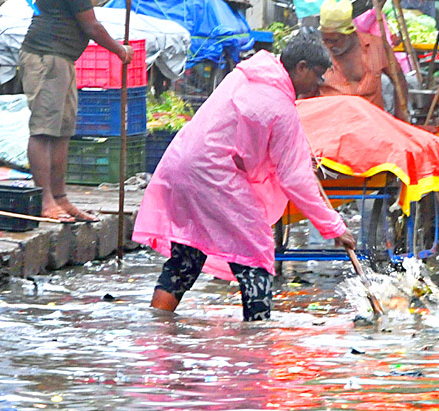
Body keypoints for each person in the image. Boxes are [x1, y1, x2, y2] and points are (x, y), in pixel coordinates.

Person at [134, 34, 356, 322]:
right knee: (256, 258)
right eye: (317, 75)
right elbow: (295, 179)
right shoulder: (279, 105)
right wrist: (333, 227)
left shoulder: (248, 74)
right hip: (214, 176)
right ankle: (257, 341)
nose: (318, 85)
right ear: (301, 67)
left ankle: (157, 327)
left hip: (181, 165)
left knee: (186, 259)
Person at [18, 0, 142, 222]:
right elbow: (91, 26)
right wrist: (121, 51)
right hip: (46, 57)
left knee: (63, 132)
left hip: (63, 59)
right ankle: (46, 201)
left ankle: (61, 197)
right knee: (44, 131)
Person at [316, 0, 393, 112]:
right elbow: (305, 92)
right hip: (333, 123)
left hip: (371, 123)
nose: (329, 45)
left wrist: (401, 119)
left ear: (350, 34)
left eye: (334, 41)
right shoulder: (317, 54)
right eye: (325, 40)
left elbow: (398, 79)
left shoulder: (377, 46)